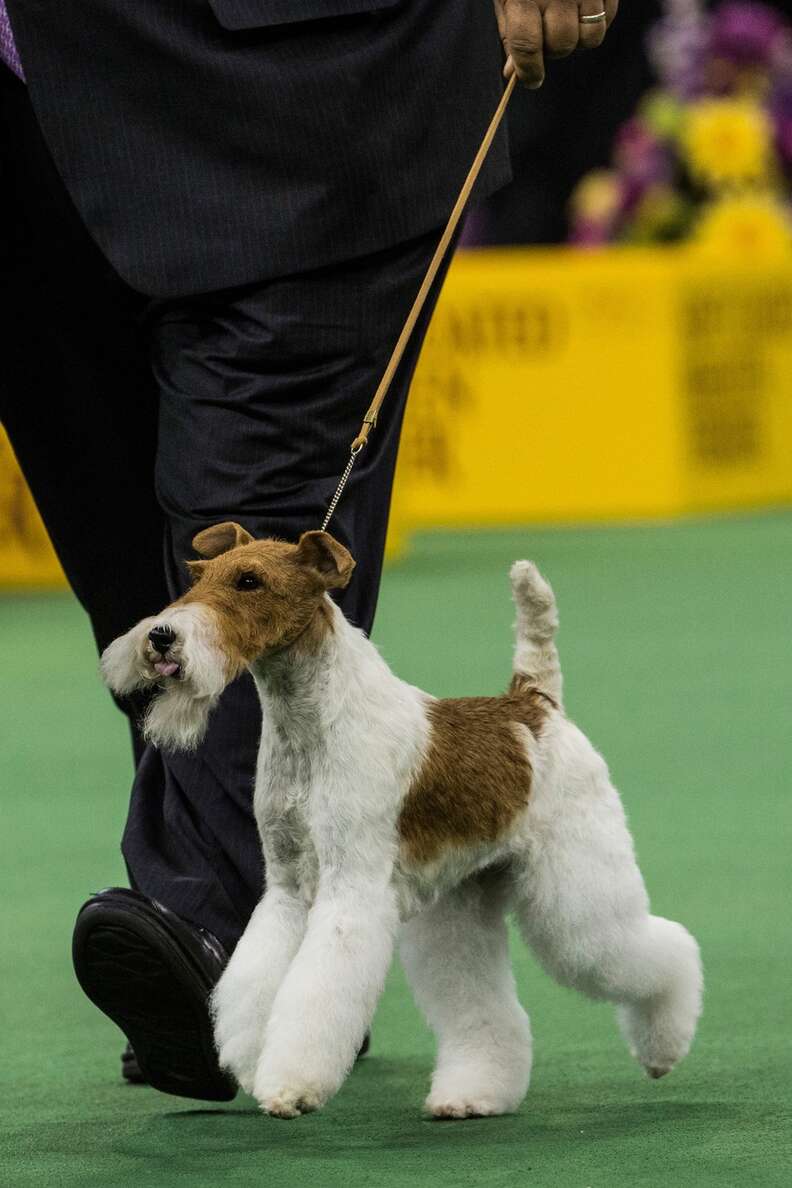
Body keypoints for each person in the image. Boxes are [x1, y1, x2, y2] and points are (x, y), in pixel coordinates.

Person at [0, 0, 619, 1101]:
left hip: (310, 96)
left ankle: (218, 928)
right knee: (134, 578)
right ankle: (284, 915)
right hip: (30, 120)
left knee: (248, 553)